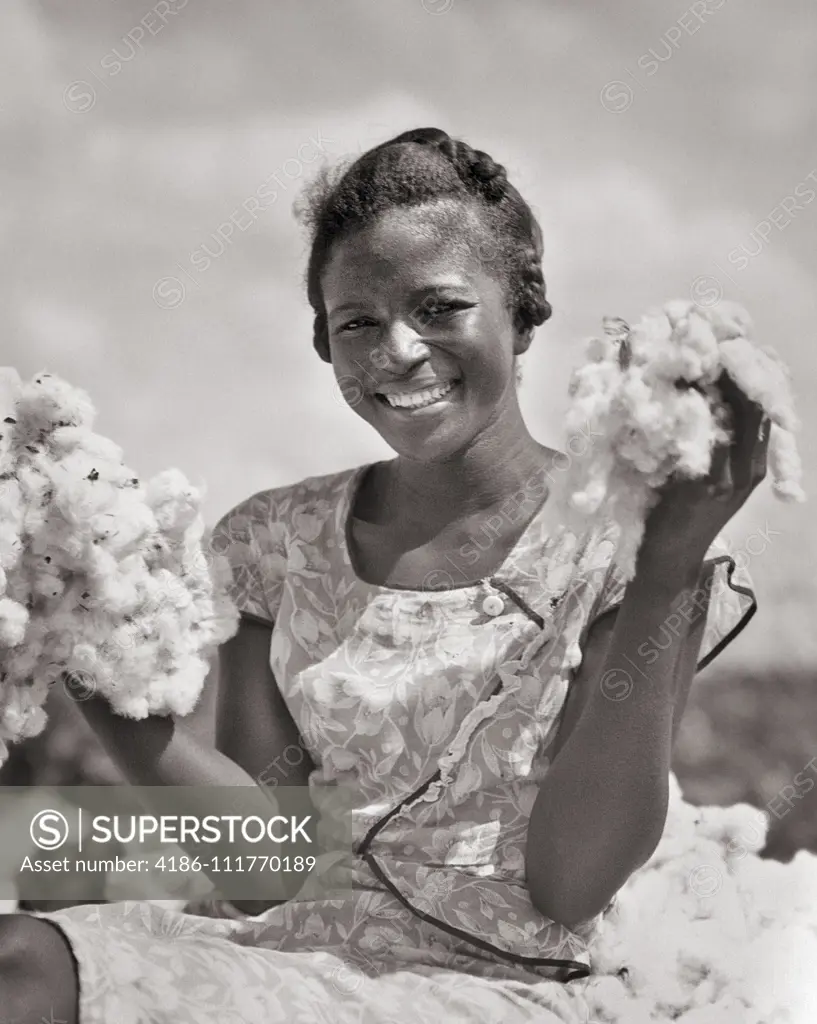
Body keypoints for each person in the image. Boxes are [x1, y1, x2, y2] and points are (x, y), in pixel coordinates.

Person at [0, 127, 766, 1024]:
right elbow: (266, 873)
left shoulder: (623, 545)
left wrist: (666, 568)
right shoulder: (274, 541)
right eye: (356, 321)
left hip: (496, 984)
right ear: (323, 345)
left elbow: (570, 885)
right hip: (280, 954)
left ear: (523, 308)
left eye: (438, 308)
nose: (395, 351)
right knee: (20, 951)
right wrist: (82, 642)